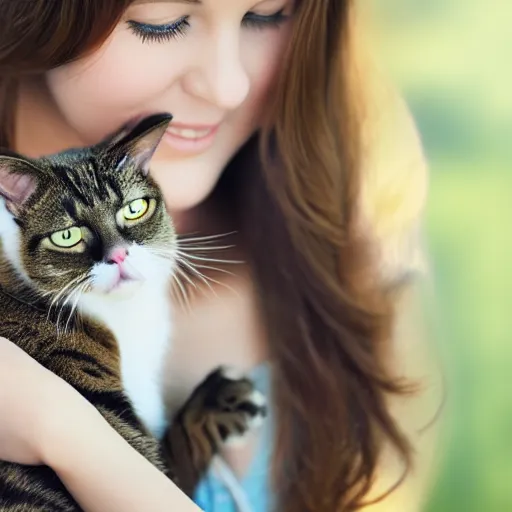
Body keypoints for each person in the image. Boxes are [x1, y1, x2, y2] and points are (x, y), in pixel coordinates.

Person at [0, 1, 442, 511]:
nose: (227, 86)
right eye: (160, 22)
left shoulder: (359, 269)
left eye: (266, 14)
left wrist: (64, 434)